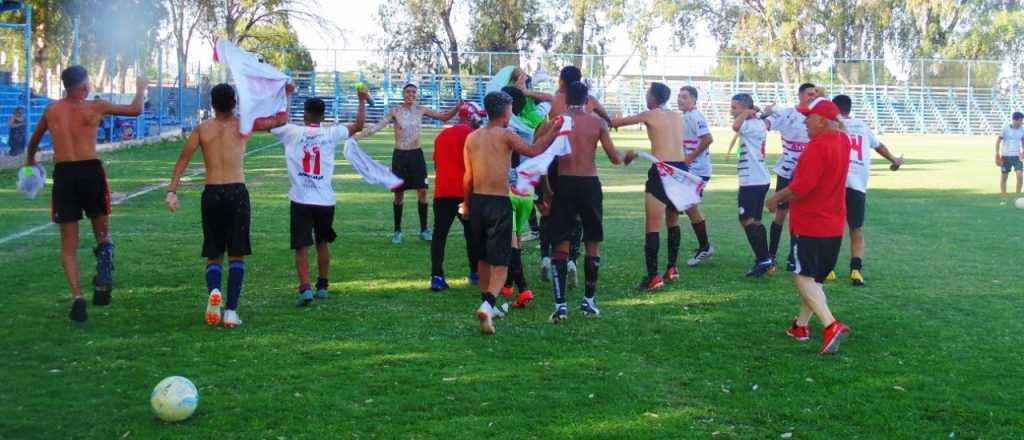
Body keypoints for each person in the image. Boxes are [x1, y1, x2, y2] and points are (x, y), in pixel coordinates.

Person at [24, 66, 146, 322]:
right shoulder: (95, 106)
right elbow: (135, 110)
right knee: (102, 234)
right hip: (90, 171)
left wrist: (29, 162)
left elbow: (33, 142)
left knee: (68, 246)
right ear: (83, 87)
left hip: (64, 174)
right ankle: (104, 272)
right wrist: (141, 87)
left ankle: (77, 298)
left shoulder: (52, 110)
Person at [166, 84, 283, 328]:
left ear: (212, 104)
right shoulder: (243, 125)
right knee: (237, 253)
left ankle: (214, 297)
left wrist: (172, 191)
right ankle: (231, 311)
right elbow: (280, 120)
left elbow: (183, 158)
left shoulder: (202, 129)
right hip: (236, 192)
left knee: (214, 254)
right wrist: (287, 93)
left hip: (212, 193)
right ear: (234, 103)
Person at [462, 91, 560, 334]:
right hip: (498, 202)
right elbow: (534, 150)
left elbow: (468, 177)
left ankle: (487, 301)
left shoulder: (472, 137)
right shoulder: (507, 134)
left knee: (483, 258)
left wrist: (466, 205)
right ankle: (488, 304)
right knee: (503, 262)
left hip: (476, 201)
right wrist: (553, 130)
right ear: (506, 112)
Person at [267, 87, 368, 305]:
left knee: (302, 246)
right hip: (325, 200)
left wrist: (287, 95)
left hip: (300, 199)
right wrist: (361, 100)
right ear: (324, 116)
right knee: (322, 243)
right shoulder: (331, 133)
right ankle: (322, 285)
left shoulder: (291, 132)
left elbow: (273, 122)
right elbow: (359, 126)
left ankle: (305, 288)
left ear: (304, 114)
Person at [766, 97, 852, 354]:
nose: (804, 122)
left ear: (823, 122)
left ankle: (830, 325)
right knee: (815, 279)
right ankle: (800, 325)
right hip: (834, 224)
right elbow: (843, 130)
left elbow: (801, 188)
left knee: (802, 277)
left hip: (811, 223)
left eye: (810, 118)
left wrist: (775, 199)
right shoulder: (843, 142)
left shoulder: (816, 148)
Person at [548, 81, 635, 323]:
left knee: (561, 243)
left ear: (566, 100)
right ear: (588, 100)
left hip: (564, 184)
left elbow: (542, 152)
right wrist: (627, 157)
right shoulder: (597, 123)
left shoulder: (558, 120)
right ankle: (588, 301)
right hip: (589, 184)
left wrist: (544, 190)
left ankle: (560, 305)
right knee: (592, 240)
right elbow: (615, 158)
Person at [357, 83, 461, 244]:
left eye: (413, 92)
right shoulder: (395, 111)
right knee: (399, 195)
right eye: (408, 92)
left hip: (416, 156)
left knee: (423, 192)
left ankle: (424, 230)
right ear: (403, 94)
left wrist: (457, 107)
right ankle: (397, 231)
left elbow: (444, 117)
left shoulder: (421, 110)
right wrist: (357, 136)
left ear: (416, 94)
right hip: (400, 156)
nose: (411, 94)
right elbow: (377, 127)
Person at [610, 82, 686, 291]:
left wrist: (595, 111)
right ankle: (672, 268)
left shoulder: (650, 113)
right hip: (680, 169)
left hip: (661, 171)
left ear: (653, 97)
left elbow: (615, 122)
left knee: (653, 223)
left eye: (647, 93)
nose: (646, 96)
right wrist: (638, 152)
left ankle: (653, 276)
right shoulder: (678, 116)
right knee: (673, 219)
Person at [831, 95, 904, 286]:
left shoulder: (832, 125)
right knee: (856, 228)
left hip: (836, 183)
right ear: (849, 108)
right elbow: (879, 146)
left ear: (834, 108)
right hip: (857, 184)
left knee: (832, 226)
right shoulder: (862, 126)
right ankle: (856, 270)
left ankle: (828, 268)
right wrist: (894, 160)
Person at [761, 83, 819, 271]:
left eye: (815, 94)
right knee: (781, 213)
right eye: (809, 93)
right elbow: (766, 124)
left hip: (807, 174)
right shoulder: (787, 114)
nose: (812, 96)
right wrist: (762, 115)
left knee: (801, 215)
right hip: (787, 172)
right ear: (800, 95)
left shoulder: (818, 117)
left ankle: (793, 257)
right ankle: (771, 255)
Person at [429, 103, 483, 292]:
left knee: (439, 235)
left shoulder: (442, 135)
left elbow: (437, 164)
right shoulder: (474, 136)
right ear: (471, 117)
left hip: (442, 192)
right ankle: (475, 272)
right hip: (464, 192)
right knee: (472, 233)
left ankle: (436, 276)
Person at [501, 86, 537, 308]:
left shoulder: (503, 128)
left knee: (510, 240)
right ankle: (508, 284)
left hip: (509, 189)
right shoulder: (530, 124)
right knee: (517, 239)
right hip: (528, 190)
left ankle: (523, 288)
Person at [729, 93, 774, 277]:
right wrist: (753, 111)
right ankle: (764, 259)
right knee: (755, 220)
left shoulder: (749, 125)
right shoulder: (756, 123)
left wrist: (747, 111)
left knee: (746, 219)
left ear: (744, 107)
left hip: (753, 180)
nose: (731, 111)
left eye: (734, 107)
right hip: (757, 178)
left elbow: (736, 126)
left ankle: (764, 258)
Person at [676, 86, 714, 267]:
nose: (680, 99)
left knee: (690, 207)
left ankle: (705, 247)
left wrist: (689, 158)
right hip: (691, 169)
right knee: (689, 207)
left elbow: (708, 139)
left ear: (693, 100)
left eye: (684, 97)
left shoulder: (696, 116)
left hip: (698, 170)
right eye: (679, 96)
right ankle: (704, 246)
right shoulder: (685, 117)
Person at [996, 112, 1024, 205]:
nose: (1021, 122)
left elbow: (1023, 141)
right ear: (1015, 120)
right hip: (1006, 157)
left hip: (1017, 157)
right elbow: (998, 141)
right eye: (1020, 120)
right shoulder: (1005, 129)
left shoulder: (1022, 130)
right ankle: (1004, 198)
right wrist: (997, 154)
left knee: (1020, 177)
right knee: (1004, 178)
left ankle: (1018, 197)